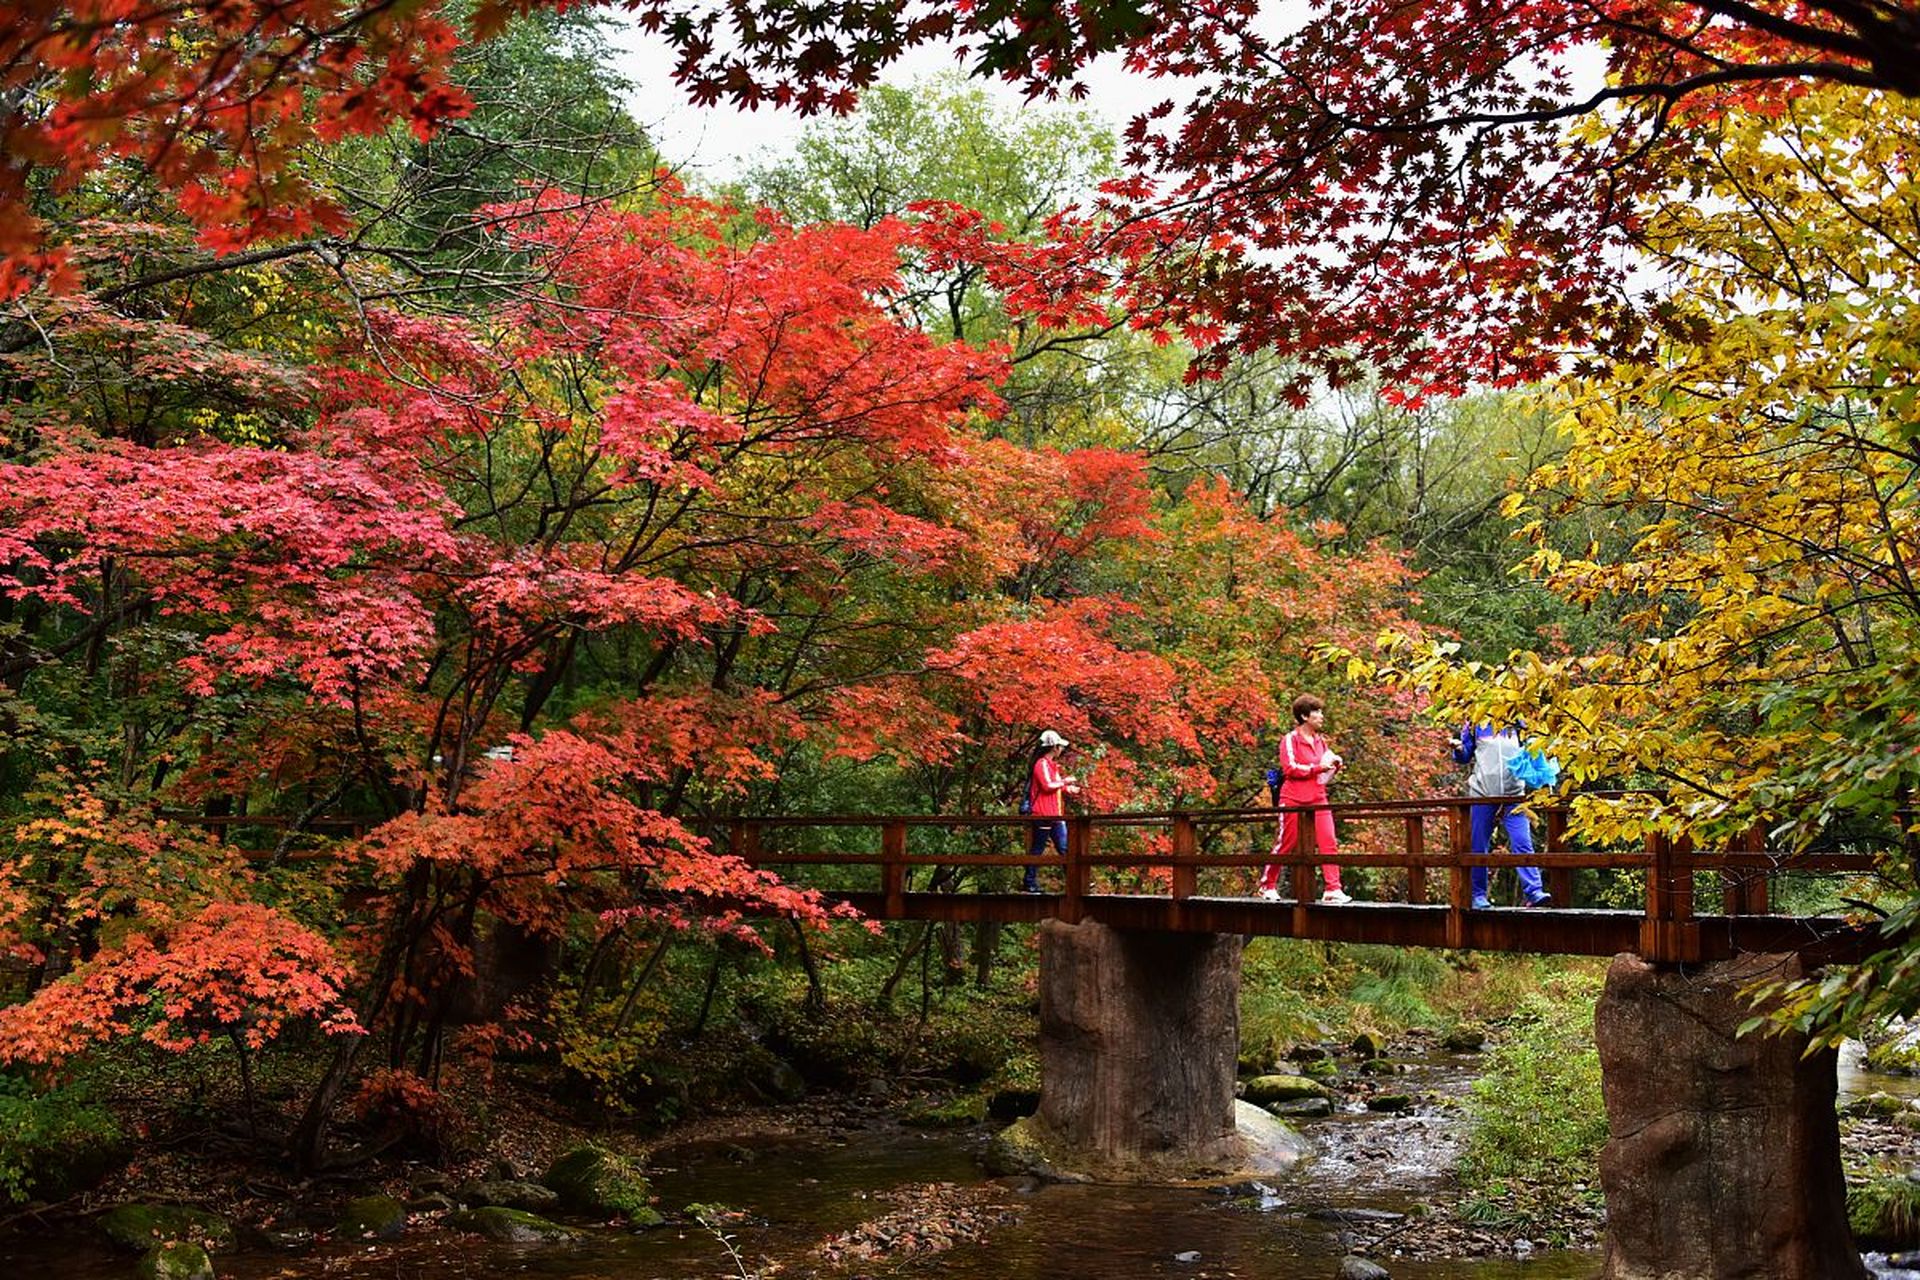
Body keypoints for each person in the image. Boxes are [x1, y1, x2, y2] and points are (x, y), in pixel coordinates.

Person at [1258, 694, 1350, 904]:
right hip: (1293, 797)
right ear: (1304, 716)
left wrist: (1335, 764)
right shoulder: (1290, 739)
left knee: (1329, 840)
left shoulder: (1320, 741)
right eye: (1317, 712)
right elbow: (1289, 768)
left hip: (1318, 795)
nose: (1321, 716)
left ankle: (1333, 889)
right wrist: (1318, 768)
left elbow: (1325, 763)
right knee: (1286, 842)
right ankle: (1267, 885)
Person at [1454, 723, 1551, 909]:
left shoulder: (1519, 723)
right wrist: (1459, 749)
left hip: (1514, 796)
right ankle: (1477, 895)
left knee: (1522, 842)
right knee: (1477, 845)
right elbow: (1464, 756)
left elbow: (1534, 751)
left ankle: (1534, 892)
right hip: (1483, 794)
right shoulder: (1475, 723)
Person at [1023, 729, 1081, 893]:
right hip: (1043, 814)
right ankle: (1029, 882)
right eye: (1060, 746)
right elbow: (1047, 786)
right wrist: (1064, 781)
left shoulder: (1051, 766)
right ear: (1054, 747)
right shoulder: (1041, 764)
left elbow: (1054, 787)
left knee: (1065, 848)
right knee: (1038, 849)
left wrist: (1067, 788)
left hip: (1055, 814)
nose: (1061, 749)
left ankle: (1075, 882)